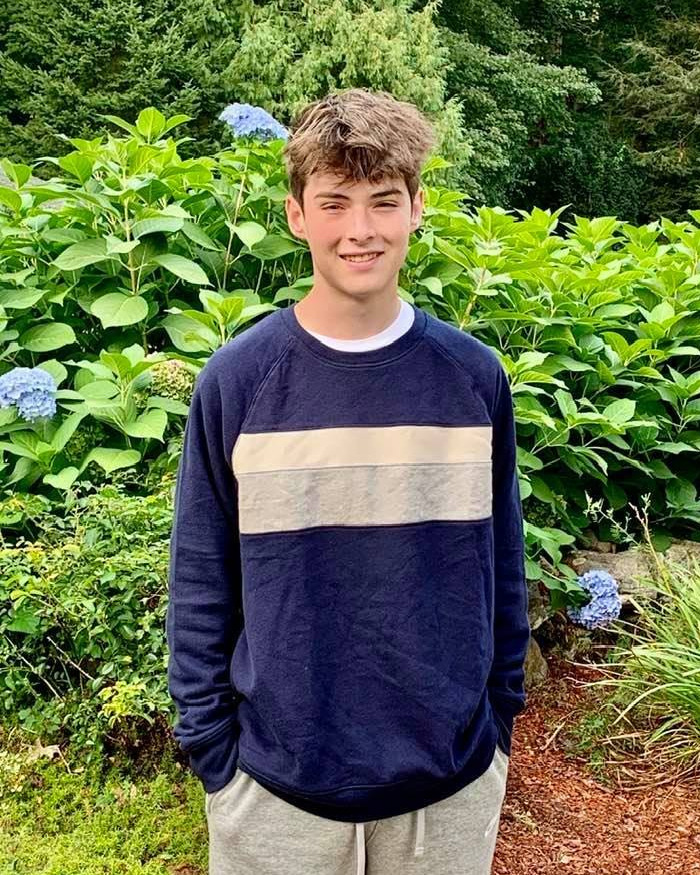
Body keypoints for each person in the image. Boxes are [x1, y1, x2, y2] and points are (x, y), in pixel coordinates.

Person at [166, 87, 530, 875]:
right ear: (297, 214)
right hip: (274, 799)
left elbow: (502, 566)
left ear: (417, 207)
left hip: (450, 794)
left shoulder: (474, 379)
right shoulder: (236, 383)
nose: (359, 229)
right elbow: (200, 583)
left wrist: (499, 722)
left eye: (382, 201)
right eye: (334, 202)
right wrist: (216, 762)